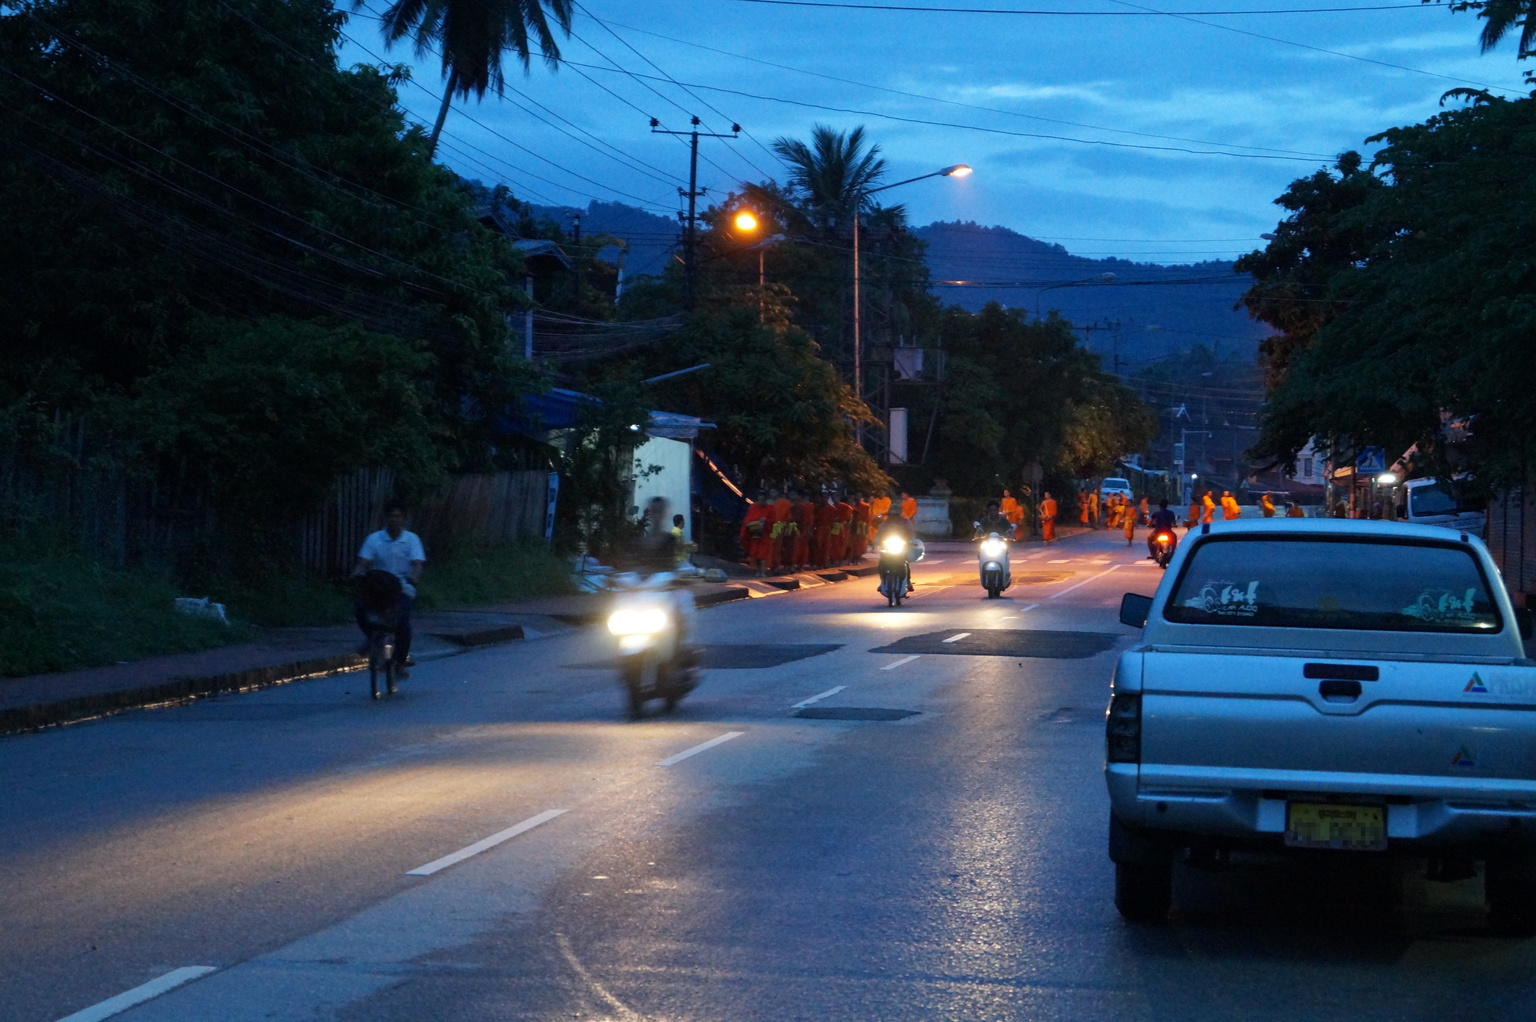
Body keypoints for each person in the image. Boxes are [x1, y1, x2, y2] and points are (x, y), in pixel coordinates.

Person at [352, 500, 426, 679]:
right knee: (361, 610)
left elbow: (417, 564)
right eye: (391, 516)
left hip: (402, 588)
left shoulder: (411, 540)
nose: (394, 520)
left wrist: (415, 577)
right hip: (377, 587)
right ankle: (372, 639)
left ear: (404, 518)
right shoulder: (374, 539)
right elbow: (363, 562)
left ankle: (400, 662)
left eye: (397, 516)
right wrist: (356, 573)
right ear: (385, 518)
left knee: (402, 622)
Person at [739, 490, 773, 575]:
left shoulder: (770, 508)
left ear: (766, 500)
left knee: (763, 553)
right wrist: (756, 520)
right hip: (754, 533)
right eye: (759, 500)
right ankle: (758, 570)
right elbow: (748, 518)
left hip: (765, 533)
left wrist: (765, 520)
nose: (761, 502)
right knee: (756, 553)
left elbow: (773, 520)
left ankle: (763, 571)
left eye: (763, 500)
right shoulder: (753, 507)